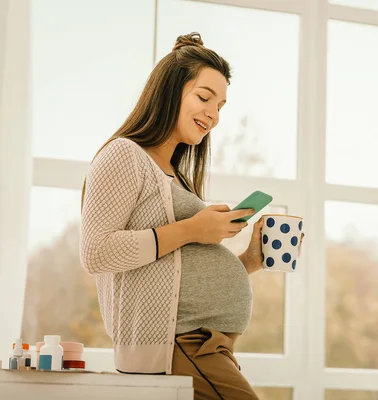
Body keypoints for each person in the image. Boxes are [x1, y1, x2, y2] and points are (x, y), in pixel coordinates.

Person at [80, 32, 263, 400]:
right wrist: (194, 228)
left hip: (208, 345)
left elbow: (174, 270)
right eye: (204, 97)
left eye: (221, 106)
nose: (213, 114)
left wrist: (248, 262)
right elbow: (97, 253)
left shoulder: (175, 176)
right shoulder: (125, 155)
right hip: (178, 344)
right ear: (169, 93)